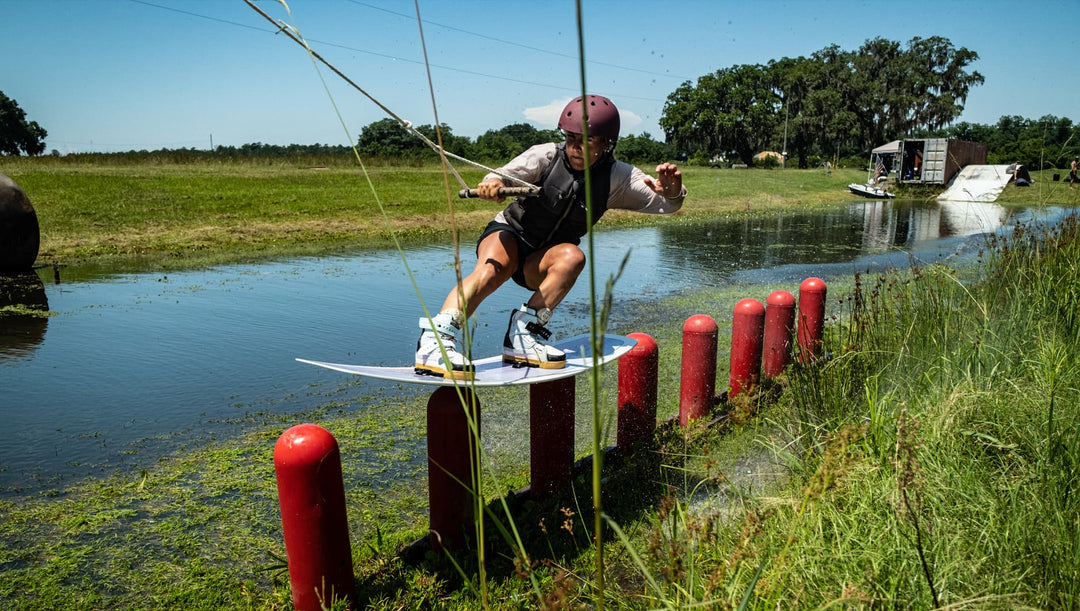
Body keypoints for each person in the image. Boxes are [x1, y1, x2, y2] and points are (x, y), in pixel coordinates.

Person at [415, 95, 686, 379]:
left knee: (573, 257)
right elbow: (502, 175)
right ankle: (436, 342)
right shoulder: (545, 155)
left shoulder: (619, 178)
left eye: (587, 140)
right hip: (510, 234)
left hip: (541, 261)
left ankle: (523, 336)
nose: (576, 147)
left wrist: (671, 192)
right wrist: (492, 183)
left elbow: (667, 205)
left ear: (607, 143)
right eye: (570, 137)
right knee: (493, 270)